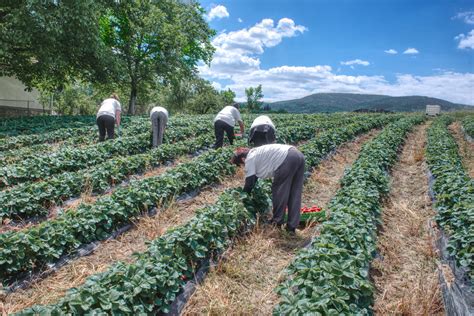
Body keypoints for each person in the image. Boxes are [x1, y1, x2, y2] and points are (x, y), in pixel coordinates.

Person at [232, 144, 305, 233]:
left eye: (241, 164)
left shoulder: (250, 159)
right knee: (295, 192)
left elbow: (250, 183)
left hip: (286, 159)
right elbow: (254, 179)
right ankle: (291, 227)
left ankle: (277, 222)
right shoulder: (256, 152)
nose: (243, 166)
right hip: (297, 154)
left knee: (279, 192)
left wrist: (243, 197)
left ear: (243, 159)